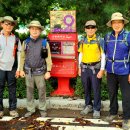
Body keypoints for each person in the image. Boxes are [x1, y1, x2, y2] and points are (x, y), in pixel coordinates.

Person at [19, 20, 52, 117]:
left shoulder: (44, 42)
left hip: (40, 72)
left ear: (40, 31)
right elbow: (22, 57)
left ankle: (42, 108)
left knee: (42, 91)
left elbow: (48, 57)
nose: (34, 31)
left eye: (37, 29)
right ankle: (30, 109)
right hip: (28, 71)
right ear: (29, 30)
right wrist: (21, 69)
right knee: (29, 91)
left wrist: (48, 71)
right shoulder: (25, 42)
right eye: (32, 29)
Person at [104, 12, 130, 130]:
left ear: (123, 23)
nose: (117, 25)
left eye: (119, 22)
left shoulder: (128, 36)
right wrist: (104, 68)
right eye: (114, 22)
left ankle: (127, 118)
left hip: (124, 71)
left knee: (126, 96)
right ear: (111, 24)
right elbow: (105, 54)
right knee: (112, 93)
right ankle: (113, 112)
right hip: (110, 70)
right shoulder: (107, 37)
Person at [78, 20, 105, 118]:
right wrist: (79, 67)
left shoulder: (100, 40)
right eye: (88, 27)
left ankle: (97, 109)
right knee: (86, 88)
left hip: (95, 69)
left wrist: (102, 69)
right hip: (85, 68)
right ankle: (88, 105)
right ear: (85, 29)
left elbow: (103, 55)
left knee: (96, 88)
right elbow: (81, 54)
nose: (90, 29)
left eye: (92, 27)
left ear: (96, 29)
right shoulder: (82, 40)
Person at [0, 16, 21, 118]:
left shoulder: (16, 39)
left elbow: (19, 54)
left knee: (12, 89)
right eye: (6, 23)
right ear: (2, 24)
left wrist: (18, 69)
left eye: (11, 24)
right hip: (0, 68)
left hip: (12, 68)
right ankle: (0, 110)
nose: (8, 26)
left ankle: (12, 109)